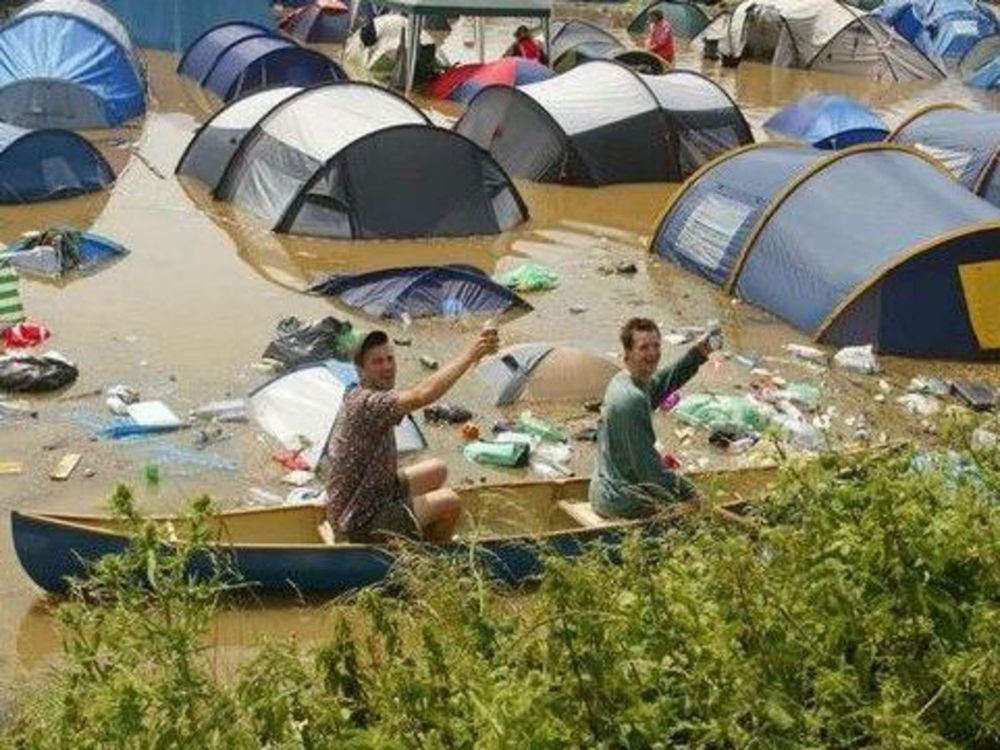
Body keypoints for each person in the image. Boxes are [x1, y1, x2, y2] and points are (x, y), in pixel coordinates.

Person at [322, 327, 499, 544]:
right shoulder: (368, 404)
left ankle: (415, 528)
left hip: (373, 494)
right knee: (449, 501)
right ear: (360, 370)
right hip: (358, 522)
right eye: (377, 362)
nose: (387, 367)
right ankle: (435, 555)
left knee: (437, 469)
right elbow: (422, 395)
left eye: (390, 359)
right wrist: (471, 354)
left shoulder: (358, 392)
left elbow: (416, 394)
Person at [589, 317, 719, 519]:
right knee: (691, 511)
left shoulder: (623, 380)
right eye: (643, 348)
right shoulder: (631, 400)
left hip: (603, 489)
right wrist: (691, 493)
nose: (652, 353)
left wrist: (697, 354)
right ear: (628, 353)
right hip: (620, 501)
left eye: (656, 346)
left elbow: (660, 384)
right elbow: (649, 470)